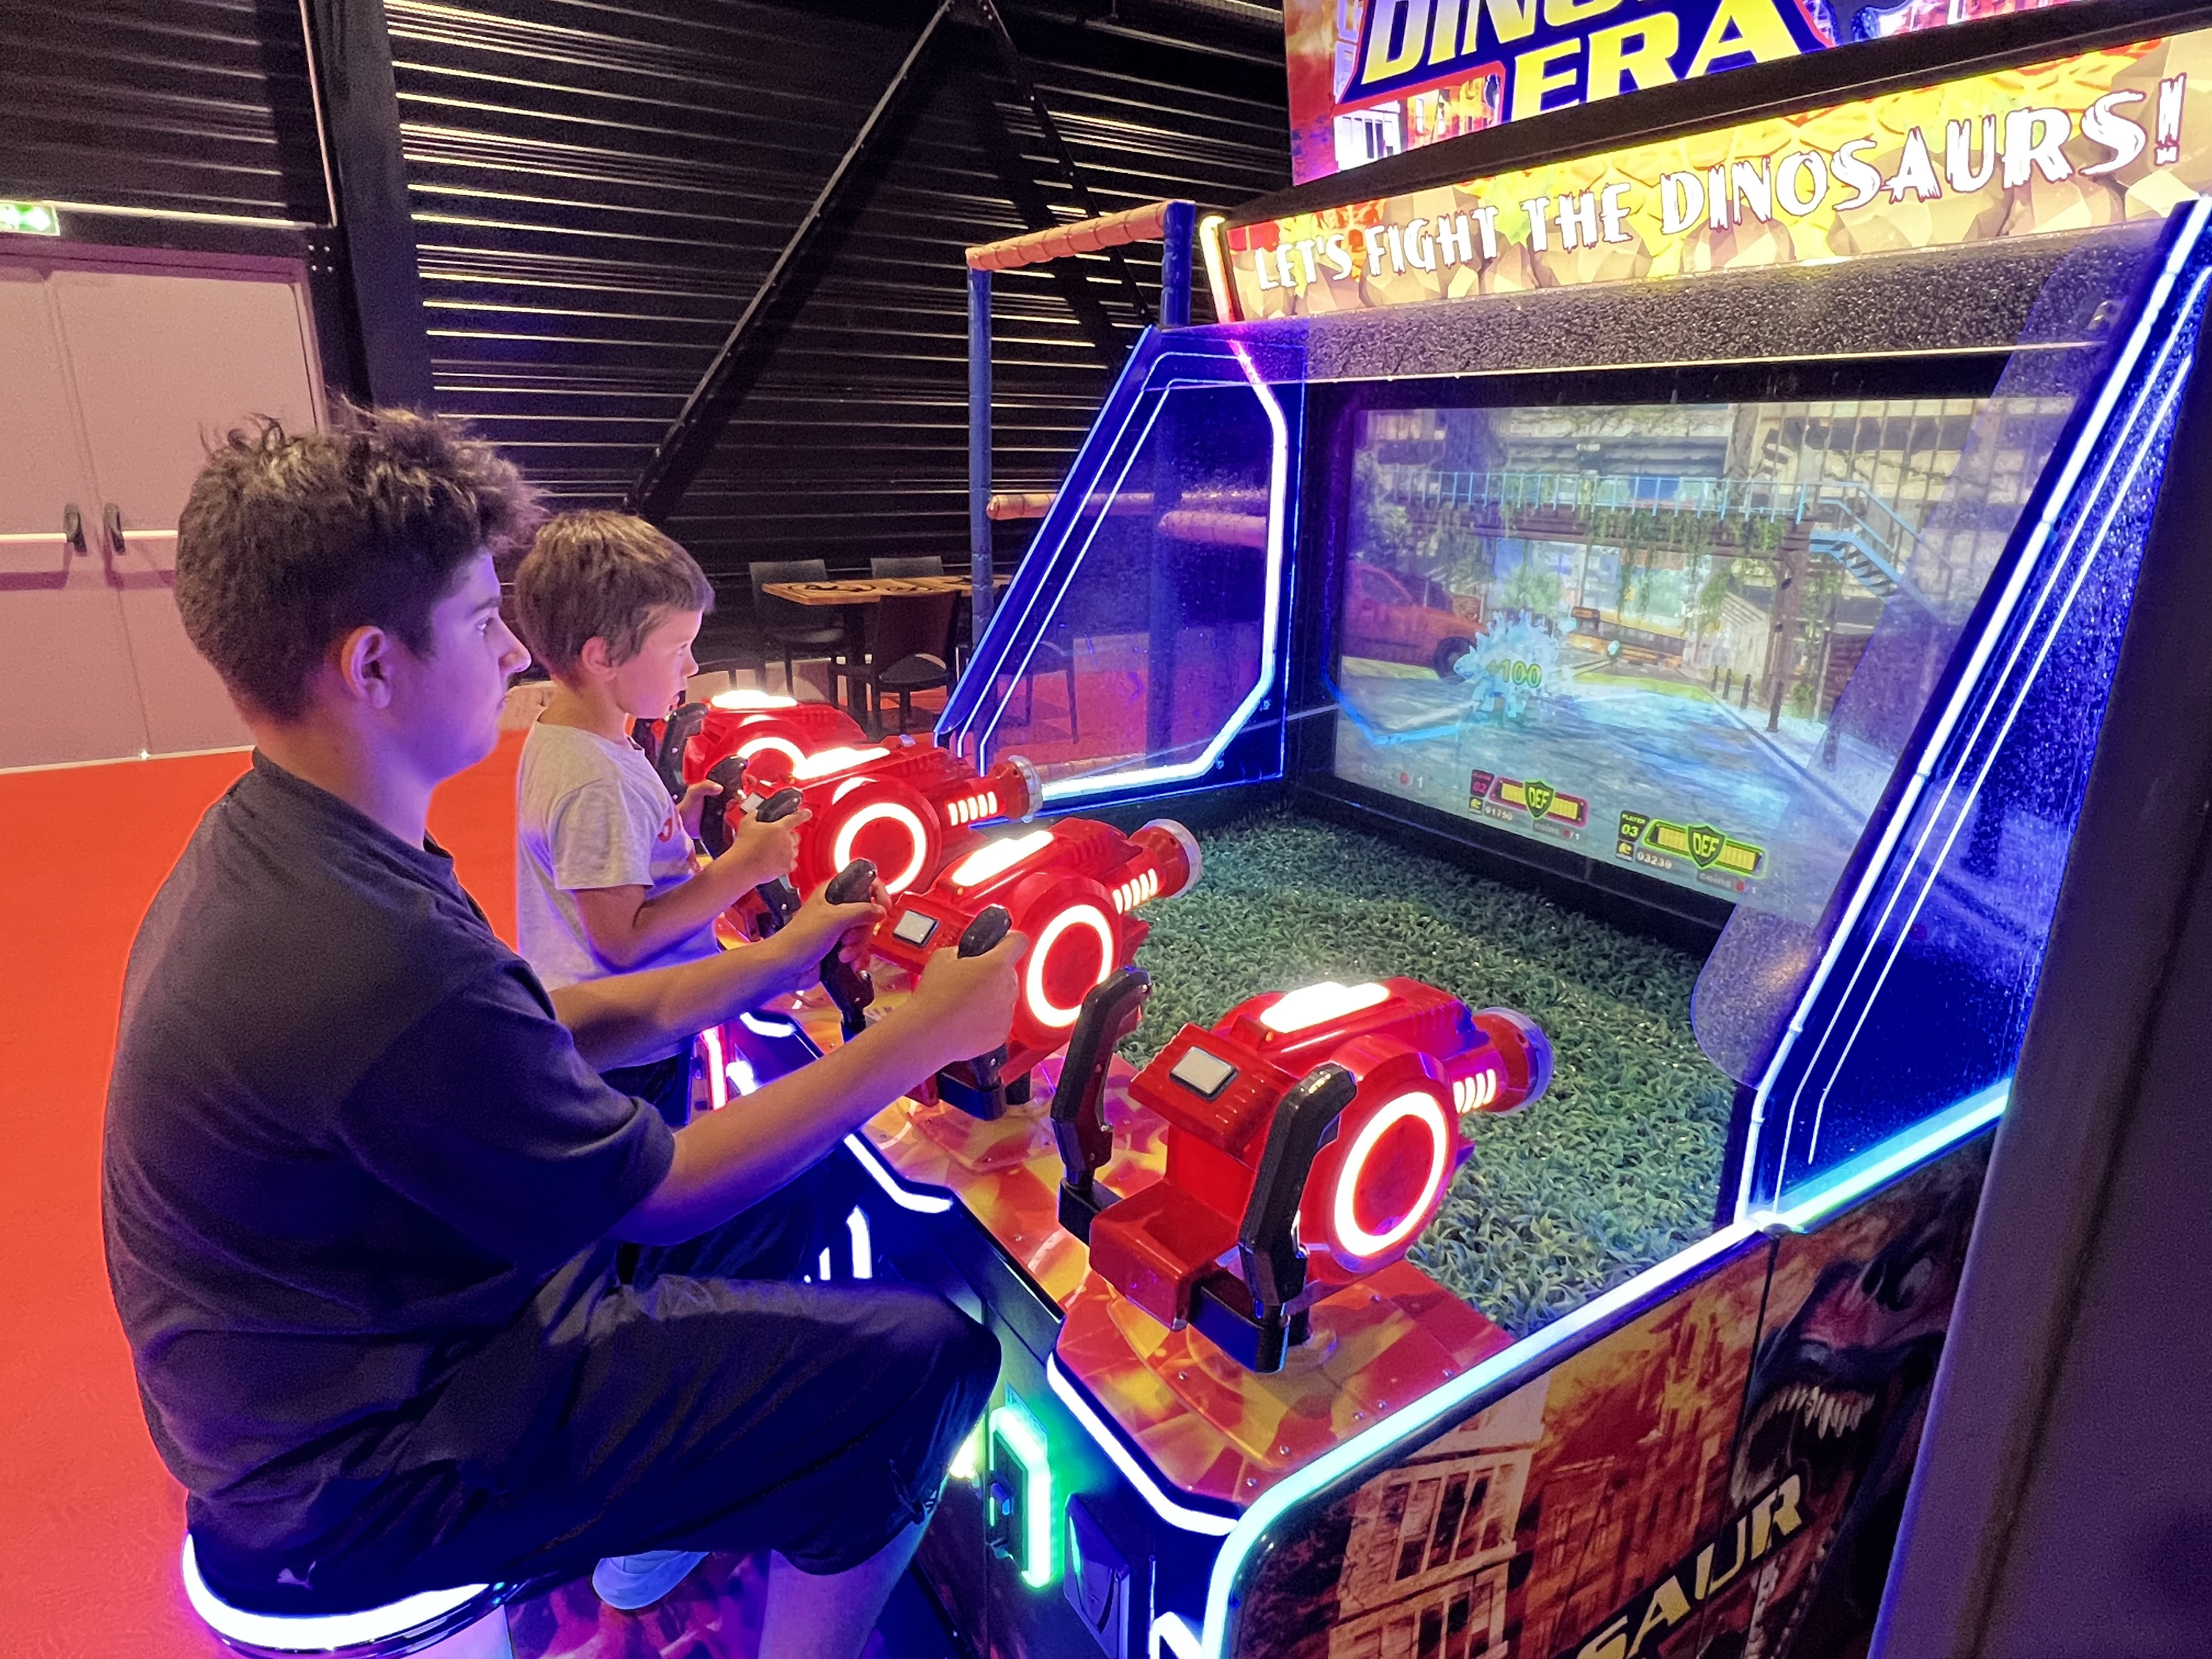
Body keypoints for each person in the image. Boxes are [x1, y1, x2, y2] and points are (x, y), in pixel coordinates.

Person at [101, 409, 1023, 1656]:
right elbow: (669, 1190)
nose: (511, 654)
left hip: (386, 1332)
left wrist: (775, 958)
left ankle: (661, 1521)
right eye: (485, 621)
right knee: (924, 1365)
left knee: (795, 1198)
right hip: (360, 1473)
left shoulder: (300, 839)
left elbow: (540, 1017)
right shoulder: (360, 952)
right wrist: (926, 1032)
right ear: (373, 666)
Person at [510, 511, 800, 1129]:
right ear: (602, 657)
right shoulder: (595, 779)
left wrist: (678, 821)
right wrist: (744, 868)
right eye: (678, 649)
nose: (692, 667)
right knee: (657, 1172)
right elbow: (623, 941)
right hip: (627, 1049)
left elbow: (601, 857)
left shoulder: (578, 736)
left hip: (614, 1035)